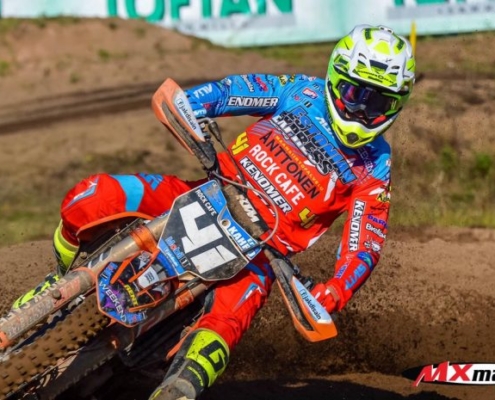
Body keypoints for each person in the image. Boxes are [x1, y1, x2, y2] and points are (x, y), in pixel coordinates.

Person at [14, 24, 415, 400]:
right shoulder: (299, 91)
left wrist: (337, 290)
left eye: (378, 103)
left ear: (396, 106)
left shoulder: (375, 166)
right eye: (355, 94)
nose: (362, 111)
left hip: (261, 256)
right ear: (335, 78)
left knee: (219, 335)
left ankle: (173, 390)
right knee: (90, 196)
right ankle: (58, 282)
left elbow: (365, 242)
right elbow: (232, 91)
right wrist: (192, 106)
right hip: (206, 190)